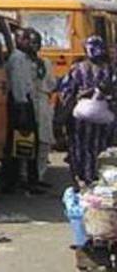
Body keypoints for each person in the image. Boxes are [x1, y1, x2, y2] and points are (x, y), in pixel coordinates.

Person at [58, 35, 117, 185]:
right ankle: (96, 180)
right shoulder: (111, 70)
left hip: (80, 119)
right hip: (104, 118)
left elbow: (67, 94)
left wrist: (63, 116)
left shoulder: (77, 69)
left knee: (79, 149)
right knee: (100, 149)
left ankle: (81, 181)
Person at [3, 28, 41, 194]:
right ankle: (17, 180)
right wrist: (23, 109)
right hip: (20, 105)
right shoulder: (17, 58)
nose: (28, 42)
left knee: (30, 142)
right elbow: (18, 86)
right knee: (20, 142)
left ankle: (30, 179)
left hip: (27, 102)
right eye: (24, 39)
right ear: (18, 41)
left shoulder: (26, 59)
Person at [28, 28, 56, 187]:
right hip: (29, 103)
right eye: (31, 42)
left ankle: (40, 175)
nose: (34, 46)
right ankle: (26, 176)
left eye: (37, 43)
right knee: (28, 141)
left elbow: (51, 83)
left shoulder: (46, 63)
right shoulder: (20, 61)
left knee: (44, 141)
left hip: (43, 102)